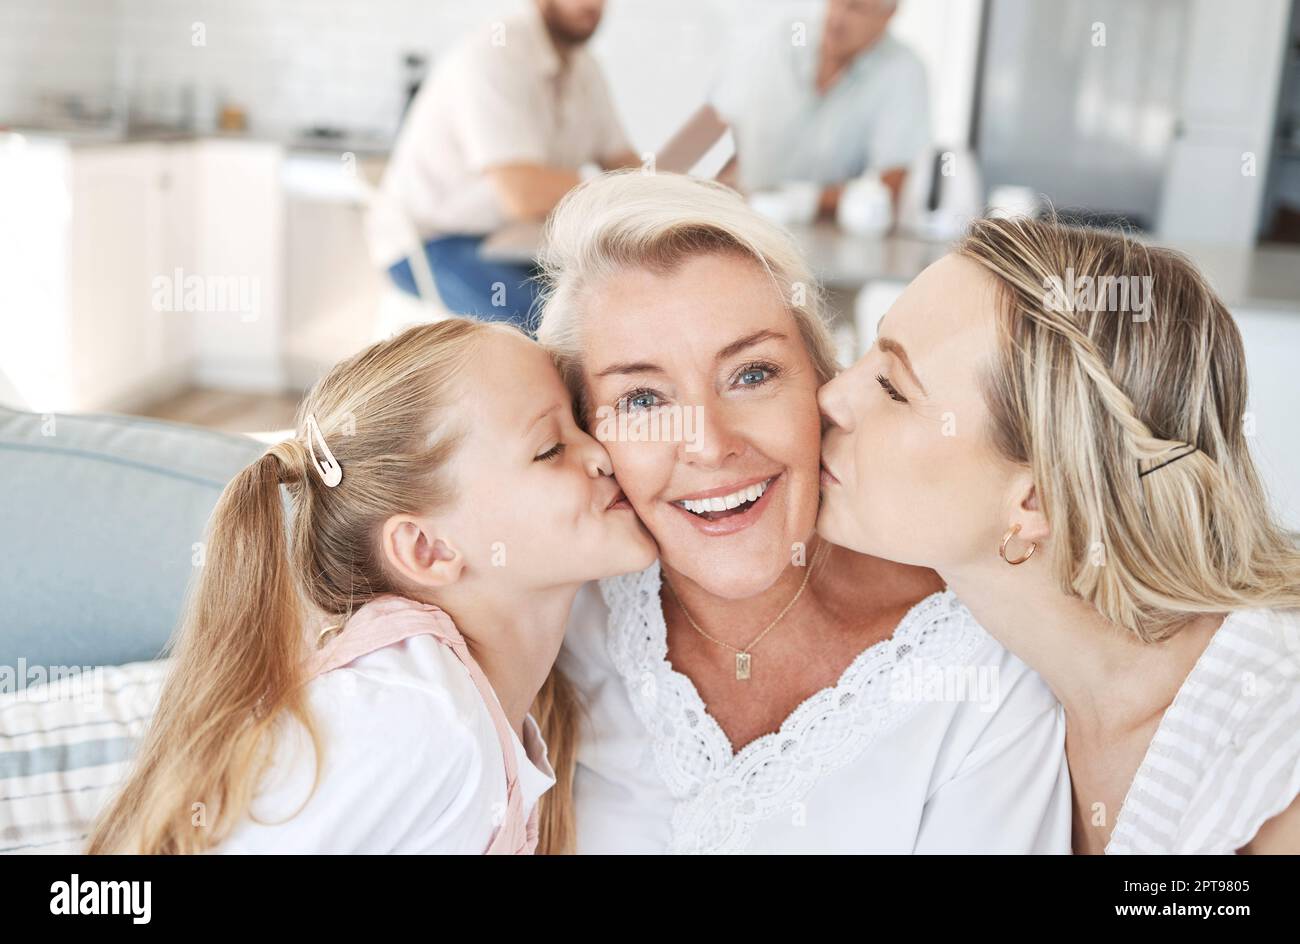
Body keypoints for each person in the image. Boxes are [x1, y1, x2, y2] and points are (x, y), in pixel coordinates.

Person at [534, 171, 1072, 853]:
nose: (710, 445)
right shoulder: (558, 616)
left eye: (752, 374)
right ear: (589, 434)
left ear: (824, 383)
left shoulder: (979, 679)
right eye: (644, 400)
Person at [817, 215, 1300, 853]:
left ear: (1036, 499)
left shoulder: (1267, 769)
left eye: (892, 388)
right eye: (869, 354)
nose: (831, 396)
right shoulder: (1006, 664)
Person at [87, 318, 656, 854]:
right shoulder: (418, 716)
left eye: (583, 425)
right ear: (427, 550)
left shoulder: (473, 711)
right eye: (550, 449)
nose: (601, 453)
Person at [369, 0, 638, 327]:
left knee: (616, 308)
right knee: (561, 330)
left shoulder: (586, 69)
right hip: (432, 243)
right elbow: (524, 196)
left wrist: (679, 196)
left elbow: (623, 163)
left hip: (517, 242)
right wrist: (619, 192)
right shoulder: (494, 57)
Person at [711, 0, 930, 215]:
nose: (836, 18)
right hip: (743, 214)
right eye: (835, 2)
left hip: (828, 229)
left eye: (856, 8)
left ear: (888, 15)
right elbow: (721, 125)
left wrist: (792, 201)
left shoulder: (903, 71)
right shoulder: (782, 39)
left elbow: (888, 187)